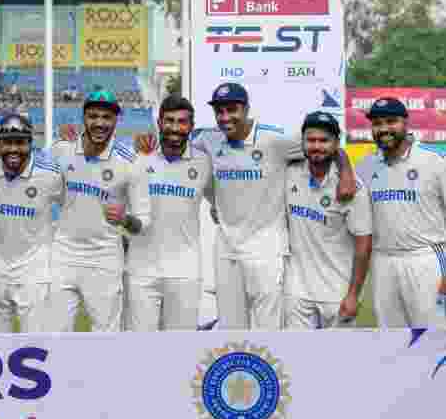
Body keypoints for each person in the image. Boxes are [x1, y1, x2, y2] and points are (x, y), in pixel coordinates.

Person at [143, 82, 357, 330]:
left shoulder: (274, 140)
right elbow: (176, 143)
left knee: (269, 329)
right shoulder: (209, 140)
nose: (225, 118)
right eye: (219, 111)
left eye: (232, 110)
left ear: (246, 109)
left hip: (266, 250)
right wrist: (147, 145)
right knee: (232, 328)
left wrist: (346, 171)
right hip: (226, 249)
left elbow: (327, 145)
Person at [47, 90, 150, 332]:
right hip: (63, 255)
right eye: (93, 116)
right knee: (54, 334)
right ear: (83, 117)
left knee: (105, 337)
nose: (100, 123)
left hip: (104, 259)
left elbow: (143, 221)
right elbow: (33, 179)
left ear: (116, 120)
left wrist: (125, 219)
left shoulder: (130, 162)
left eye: (107, 117)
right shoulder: (62, 149)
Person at [356, 98, 446, 328]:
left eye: (391, 122)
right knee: (391, 339)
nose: (384, 129)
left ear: (406, 123)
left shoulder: (435, 161)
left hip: (426, 259)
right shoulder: (366, 166)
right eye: (377, 123)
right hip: (383, 261)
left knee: (433, 338)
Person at [126, 95, 213, 331]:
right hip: (141, 270)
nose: (175, 128)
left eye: (182, 122)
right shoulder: (140, 157)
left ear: (191, 127)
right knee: (139, 350)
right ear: (159, 122)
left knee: (180, 351)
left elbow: (222, 202)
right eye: (169, 121)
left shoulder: (205, 162)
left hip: (184, 271)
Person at [284, 112, 373, 329]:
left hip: (337, 292)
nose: (316, 146)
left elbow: (364, 245)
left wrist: (353, 295)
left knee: (338, 360)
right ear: (302, 142)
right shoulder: (289, 172)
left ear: (336, 143)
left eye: (324, 141)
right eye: (311, 140)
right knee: (294, 358)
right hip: (297, 292)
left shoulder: (354, 189)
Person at [0, 114, 62, 332]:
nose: (14, 149)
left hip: (34, 275)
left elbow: (76, 206)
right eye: (8, 142)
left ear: (30, 144)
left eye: (20, 142)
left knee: (36, 345)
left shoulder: (50, 176)